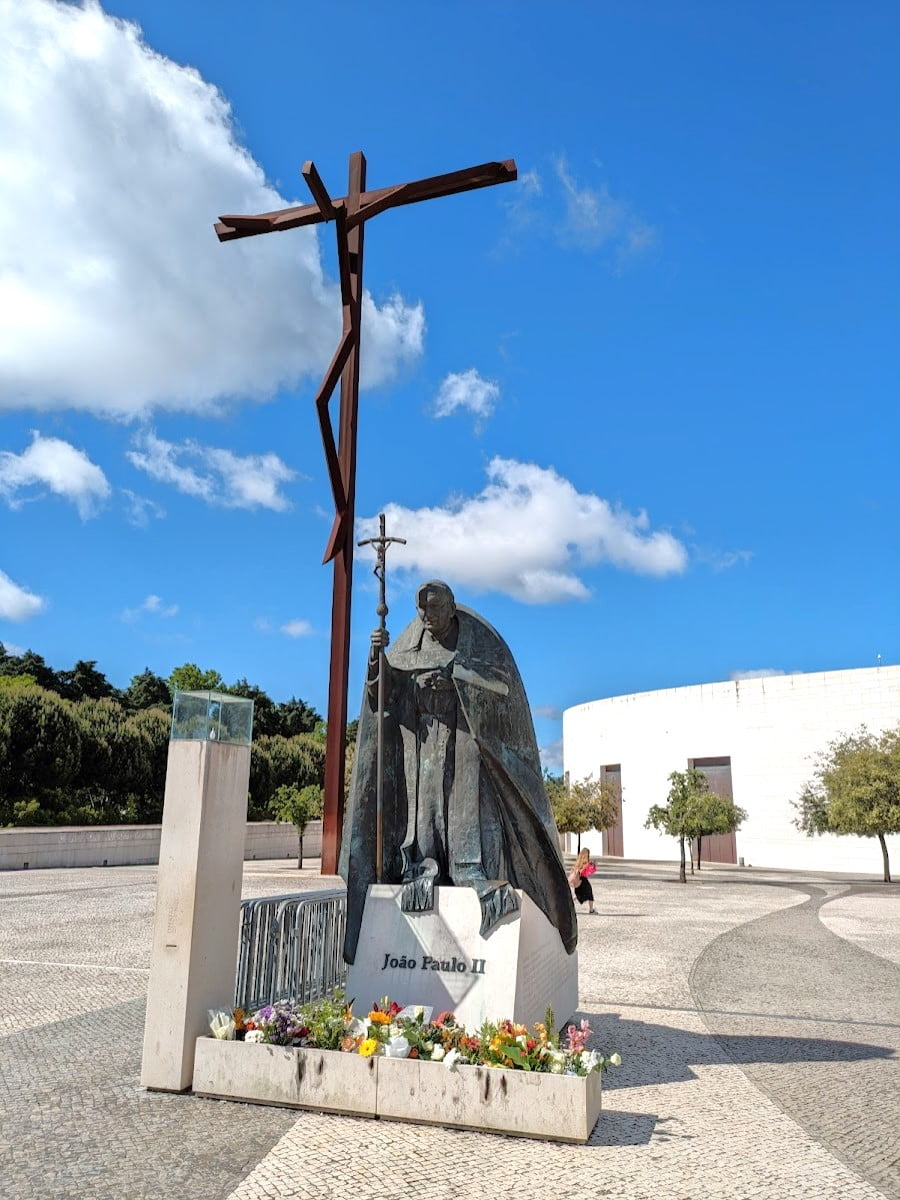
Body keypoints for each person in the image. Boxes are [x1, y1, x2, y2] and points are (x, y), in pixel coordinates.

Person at [339, 579, 577, 963]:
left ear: (450, 608)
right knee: (426, 811)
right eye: (421, 609)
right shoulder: (409, 644)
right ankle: (422, 867)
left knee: (464, 809)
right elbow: (382, 696)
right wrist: (376, 659)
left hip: (466, 741)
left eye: (433, 608)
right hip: (424, 746)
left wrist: (454, 683)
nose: (425, 616)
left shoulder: (479, 645)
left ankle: (471, 872)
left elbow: (500, 694)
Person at [569, 847, 597, 914]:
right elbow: (590, 871)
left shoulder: (579, 861)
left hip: (579, 880)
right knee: (589, 894)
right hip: (583, 880)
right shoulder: (586, 863)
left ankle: (568, 903)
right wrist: (594, 866)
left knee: (579, 894)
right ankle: (591, 910)